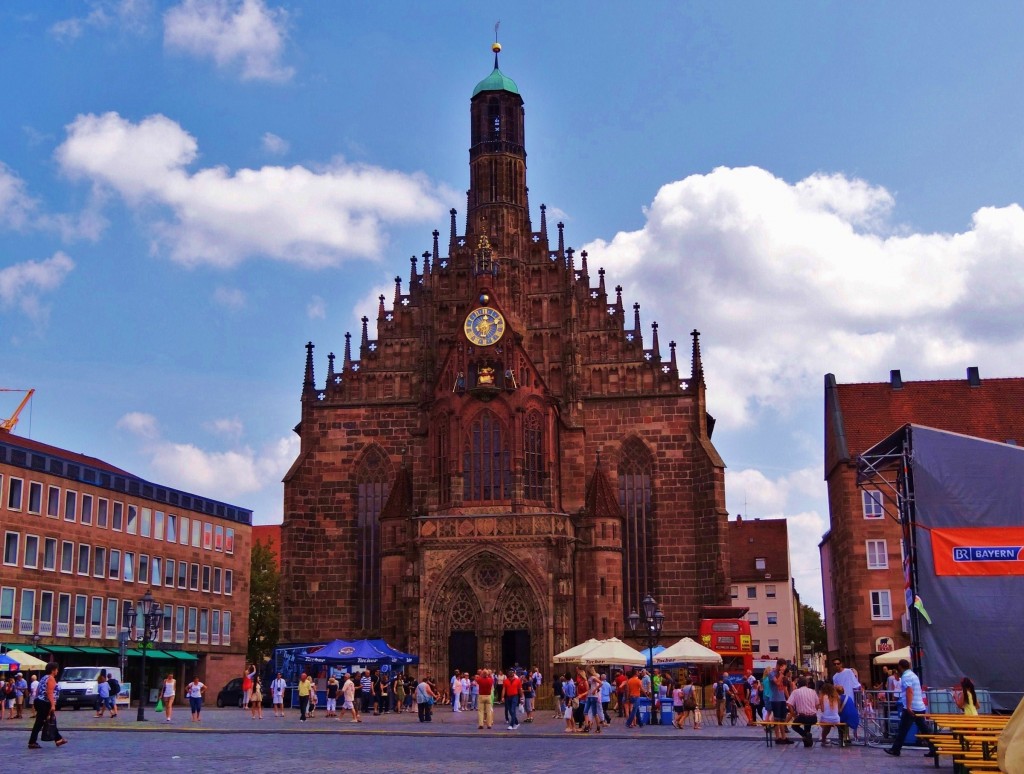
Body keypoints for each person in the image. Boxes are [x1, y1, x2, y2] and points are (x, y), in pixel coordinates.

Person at [884, 658, 929, 757]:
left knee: (903, 729)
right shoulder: (913, 675)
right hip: (919, 706)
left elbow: (909, 691)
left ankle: (895, 749)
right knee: (924, 729)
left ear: (900, 667)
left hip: (912, 707)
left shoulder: (906, 676)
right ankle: (934, 748)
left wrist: (908, 706)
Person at [28, 661, 66, 749]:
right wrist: (53, 705)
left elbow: (38, 691)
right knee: (40, 722)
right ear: (53, 670)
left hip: (39, 701)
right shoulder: (51, 678)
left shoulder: (43, 678)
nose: (57, 671)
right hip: (44, 702)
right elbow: (50, 693)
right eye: (56, 669)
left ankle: (58, 739)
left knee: (50, 720)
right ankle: (32, 742)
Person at [786, 676, 819, 748]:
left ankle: (805, 735)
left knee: (794, 726)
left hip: (802, 717)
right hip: (813, 717)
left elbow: (789, 704)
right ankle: (807, 741)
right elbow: (817, 704)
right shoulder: (813, 691)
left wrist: (793, 714)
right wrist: (813, 711)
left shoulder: (796, 692)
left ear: (798, 684)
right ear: (807, 684)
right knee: (807, 725)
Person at [818, 682, 841, 746]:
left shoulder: (823, 697)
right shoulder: (837, 697)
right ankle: (825, 739)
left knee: (825, 723)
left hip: (826, 719)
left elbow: (822, 710)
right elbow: (838, 710)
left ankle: (823, 739)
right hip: (836, 719)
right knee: (828, 724)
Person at [584, 668, 604, 733]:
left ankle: (598, 727)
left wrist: (595, 690)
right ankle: (587, 726)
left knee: (594, 712)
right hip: (589, 696)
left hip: (593, 696)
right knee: (585, 711)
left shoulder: (593, 677)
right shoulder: (589, 678)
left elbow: (601, 683)